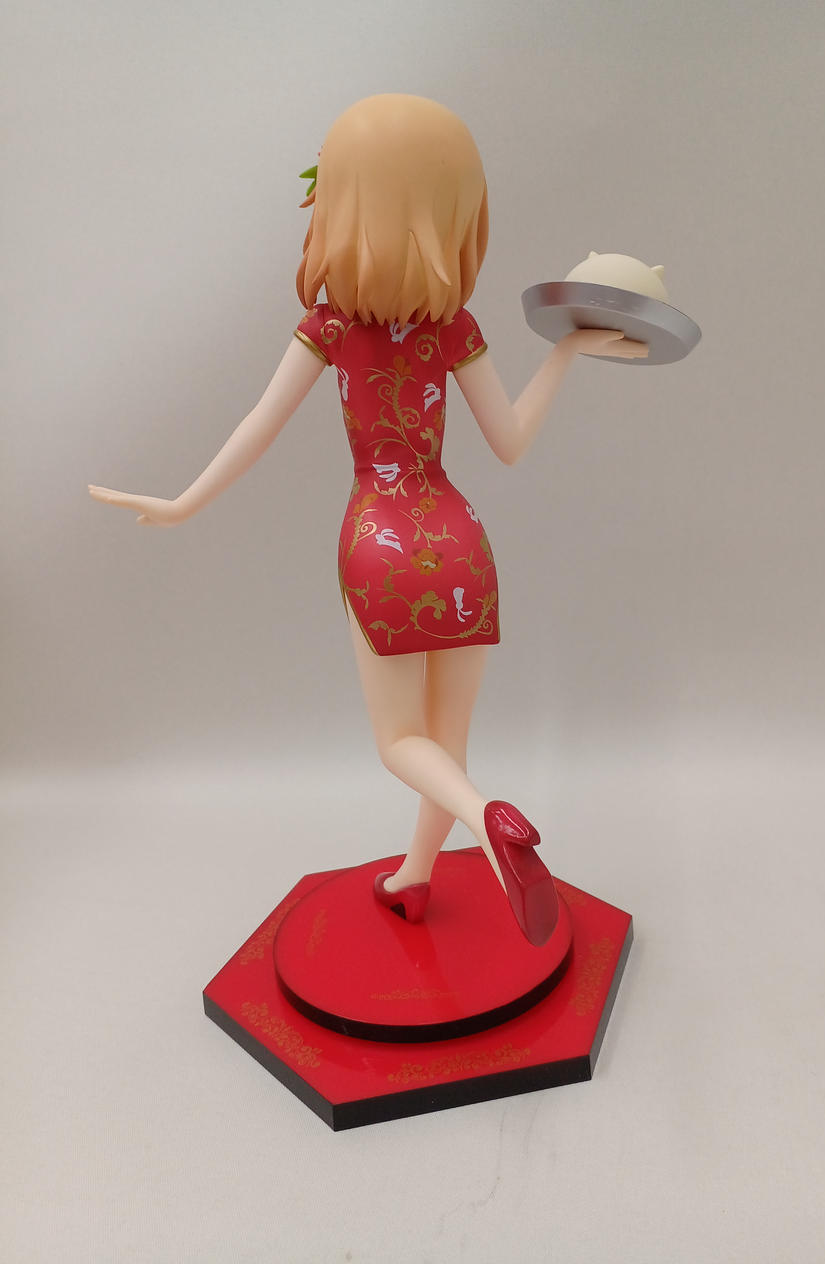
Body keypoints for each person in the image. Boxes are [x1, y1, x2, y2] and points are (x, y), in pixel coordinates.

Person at [88, 94, 647, 946]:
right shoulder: (454, 329)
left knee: (401, 743)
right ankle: (416, 877)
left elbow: (259, 424)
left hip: (379, 541)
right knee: (446, 739)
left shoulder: (329, 328)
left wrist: (183, 501)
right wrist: (566, 350)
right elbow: (510, 443)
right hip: (461, 540)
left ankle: (484, 821)